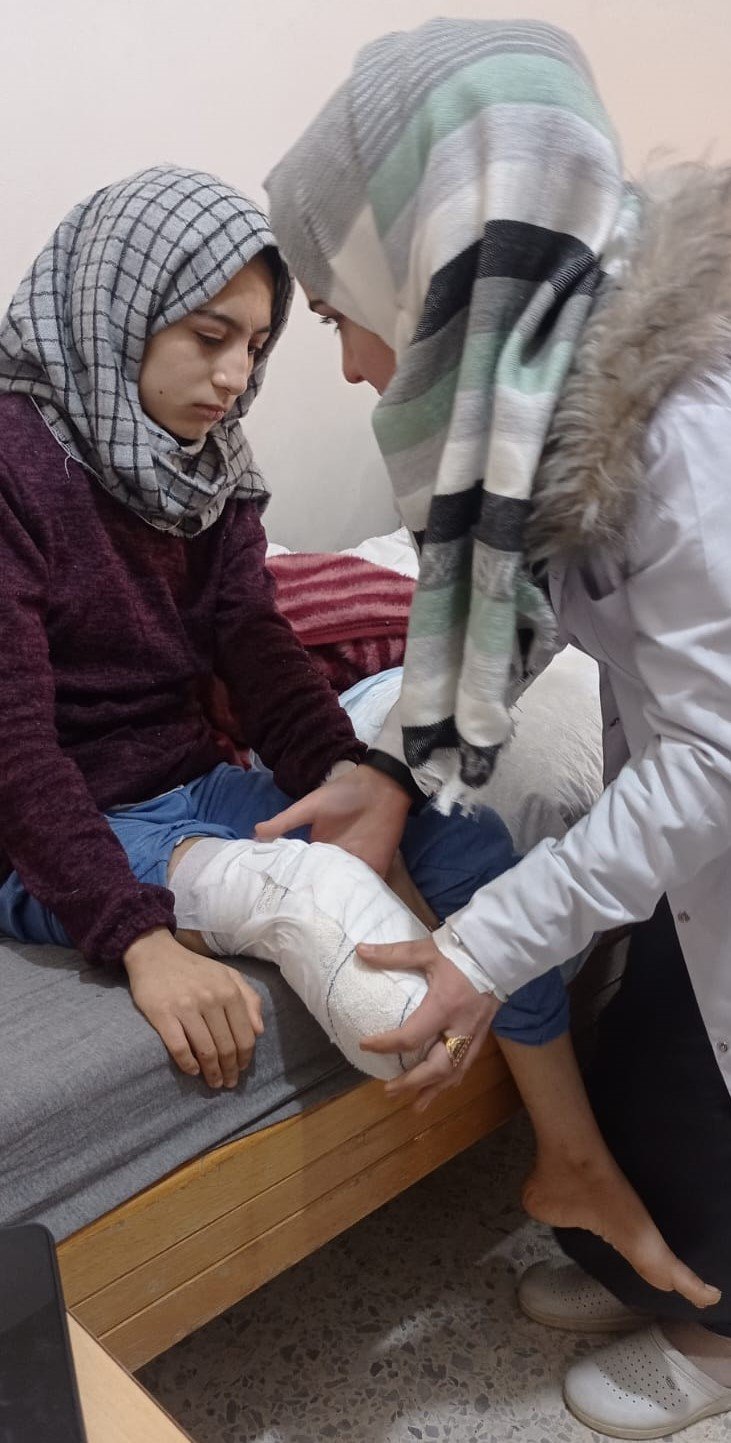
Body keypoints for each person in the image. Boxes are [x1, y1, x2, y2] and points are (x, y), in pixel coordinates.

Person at [264, 18, 731, 1437]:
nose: (348, 366)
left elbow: (713, 756)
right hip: (689, 807)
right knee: (652, 1062)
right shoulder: (566, 390)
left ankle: (710, 1342)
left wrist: (479, 943)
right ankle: (663, 1256)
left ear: (437, 256)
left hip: (706, 790)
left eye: (339, 308)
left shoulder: (684, 424)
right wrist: (384, 764)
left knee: (693, 1102)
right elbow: (502, 605)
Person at [0, 165, 570, 1099]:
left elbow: (254, 641)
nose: (234, 378)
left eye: (256, 346)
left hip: (190, 781)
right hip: (51, 834)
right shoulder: (13, 463)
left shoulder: (212, 463)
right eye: (208, 336)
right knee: (333, 935)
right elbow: (13, 742)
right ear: (120, 307)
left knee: (469, 840)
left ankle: (571, 1153)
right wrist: (138, 938)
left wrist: (347, 777)